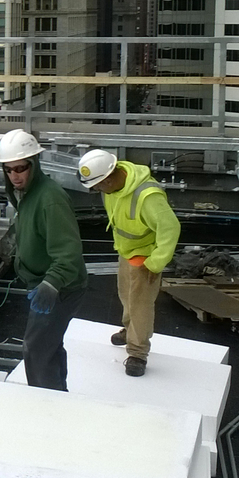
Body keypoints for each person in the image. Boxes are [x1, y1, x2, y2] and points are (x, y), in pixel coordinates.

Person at [77, 148, 182, 377]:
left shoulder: (147, 195)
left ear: (110, 176)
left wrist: (155, 263)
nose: (96, 190)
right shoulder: (110, 190)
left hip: (145, 257)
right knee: (126, 296)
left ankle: (137, 352)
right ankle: (129, 330)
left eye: (98, 185)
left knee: (141, 304)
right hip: (126, 252)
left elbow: (170, 228)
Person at [0, 129, 87, 391]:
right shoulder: (27, 194)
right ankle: (57, 395)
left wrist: (52, 284)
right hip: (43, 282)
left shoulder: (50, 199)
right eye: (9, 169)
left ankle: (47, 403)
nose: (15, 175)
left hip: (60, 287)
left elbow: (68, 252)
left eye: (20, 168)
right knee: (48, 345)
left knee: (36, 349)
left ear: (34, 164)